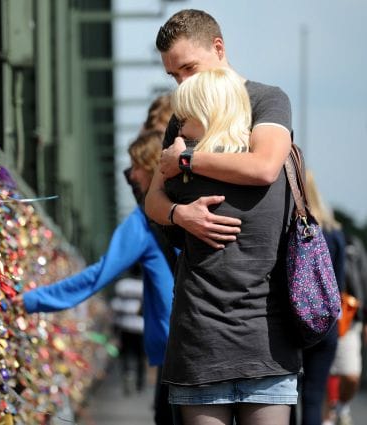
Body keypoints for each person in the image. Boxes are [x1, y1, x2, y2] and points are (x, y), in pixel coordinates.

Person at [158, 66, 301, 425]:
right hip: (267, 345)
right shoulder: (275, 176)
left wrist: (176, 161)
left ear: (204, 116)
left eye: (185, 118)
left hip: (200, 347)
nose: (179, 127)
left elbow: (154, 211)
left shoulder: (183, 184)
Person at [16, 129, 176, 424]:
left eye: (136, 166)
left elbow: (98, 275)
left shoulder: (145, 219)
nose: (131, 176)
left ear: (152, 166)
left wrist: (31, 300)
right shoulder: (191, 208)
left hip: (174, 352)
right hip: (210, 343)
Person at [144, 9, 293, 251]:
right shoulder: (181, 117)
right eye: (174, 76)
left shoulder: (266, 100)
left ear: (218, 48)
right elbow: (152, 200)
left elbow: (265, 167)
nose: (183, 83)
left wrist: (185, 160)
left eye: (190, 68)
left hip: (262, 281)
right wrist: (179, 214)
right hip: (195, 281)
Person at [291, 170, 346, 425]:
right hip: (326, 325)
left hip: (293, 323)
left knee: (286, 398)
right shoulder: (334, 232)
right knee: (313, 397)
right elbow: (340, 284)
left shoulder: (289, 229)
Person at [324, 233, 367, 425]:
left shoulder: (352, 244)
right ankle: (327, 416)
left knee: (351, 373)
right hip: (321, 317)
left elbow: (363, 281)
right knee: (323, 374)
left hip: (348, 317)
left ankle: (341, 407)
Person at [110, 276, 147, 395]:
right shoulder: (144, 285)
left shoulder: (122, 285)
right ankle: (140, 382)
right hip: (141, 327)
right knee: (140, 356)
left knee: (126, 354)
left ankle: (128, 373)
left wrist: (114, 329)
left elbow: (116, 307)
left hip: (125, 326)